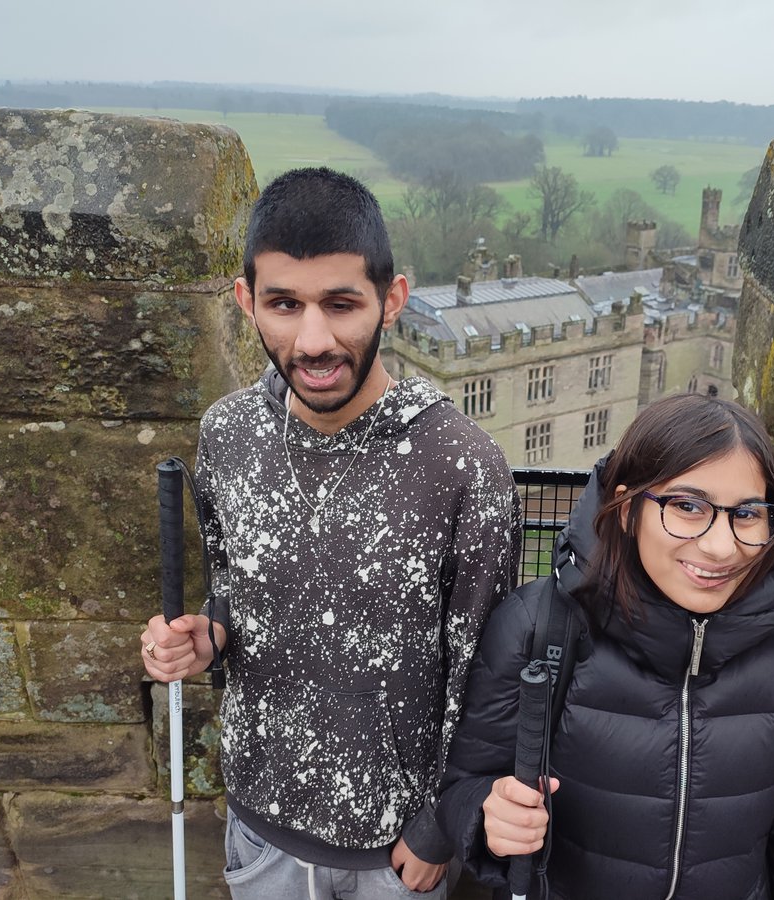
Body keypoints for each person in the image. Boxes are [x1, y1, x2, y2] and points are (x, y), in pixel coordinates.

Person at [140, 166, 521, 899]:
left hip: (397, 855)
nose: (313, 340)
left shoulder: (463, 465)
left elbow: (485, 674)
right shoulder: (227, 434)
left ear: (393, 300)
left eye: (342, 304)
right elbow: (233, 591)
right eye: (284, 304)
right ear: (247, 300)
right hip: (259, 833)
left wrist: (442, 825)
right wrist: (206, 636)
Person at [437, 393, 774, 899]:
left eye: (746, 514)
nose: (721, 547)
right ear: (628, 508)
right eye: (686, 505)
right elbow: (464, 783)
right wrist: (488, 818)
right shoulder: (535, 628)